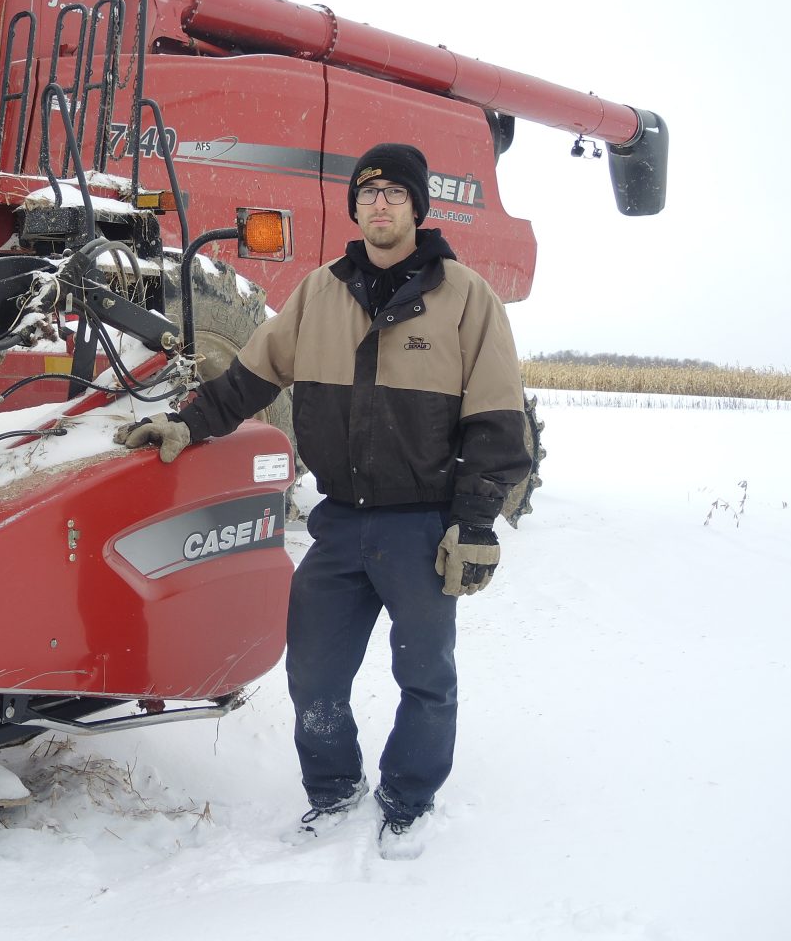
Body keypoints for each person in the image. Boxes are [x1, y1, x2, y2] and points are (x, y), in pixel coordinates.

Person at [115, 142, 529, 858]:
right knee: (313, 675)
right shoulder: (320, 291)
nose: (379, 205)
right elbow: (248, 378)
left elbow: (496, 420)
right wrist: (186, 422)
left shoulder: (467, 298)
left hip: (420, 527)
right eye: (368, 194)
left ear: (418, 206)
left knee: (425, 677)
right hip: (340, 525)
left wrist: (475, 524)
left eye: (395, 194)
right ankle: (334, 791)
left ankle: (407, 797)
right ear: (354, 207)